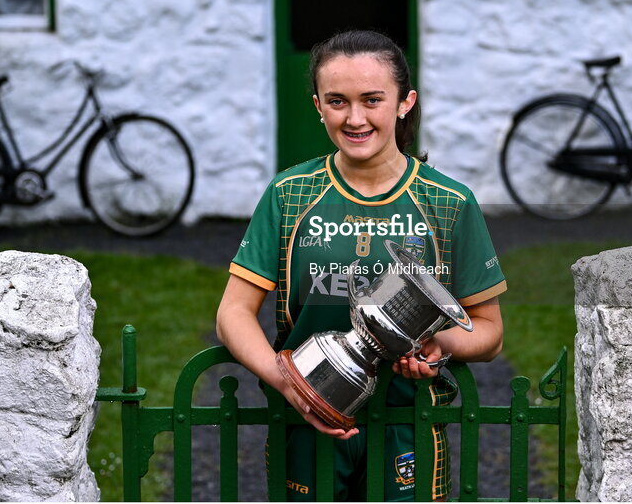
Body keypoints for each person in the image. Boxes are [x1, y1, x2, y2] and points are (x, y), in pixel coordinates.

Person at [216, 29, 506, 501]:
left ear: (404, 102)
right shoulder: (290, 194)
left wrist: (439, 343)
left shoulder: (449, 203)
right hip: (306, 422)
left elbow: (489, 330)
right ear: (317, 105)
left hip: (407, 423)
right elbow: (232, 314)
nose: (355, 118)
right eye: (337, 101)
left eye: (372, 100)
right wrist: (288, 383)